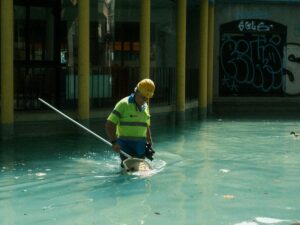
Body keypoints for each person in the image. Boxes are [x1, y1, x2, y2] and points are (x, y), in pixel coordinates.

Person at [105, 78, 155, 166]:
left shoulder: (145, 106)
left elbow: (146, 125)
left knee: (140, 172)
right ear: (137, 92)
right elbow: (110, 124)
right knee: (126, 169)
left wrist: (149, 141)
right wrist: (114, 142)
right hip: (125, 145)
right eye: (143, 97)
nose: (145, 100)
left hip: (141, 146)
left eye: (147, 98)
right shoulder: (123, 104)